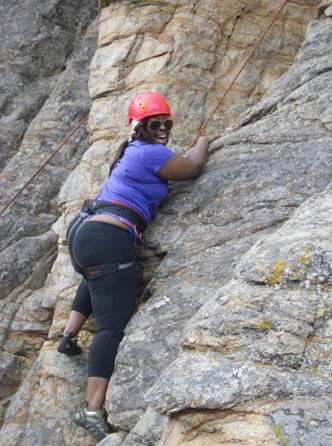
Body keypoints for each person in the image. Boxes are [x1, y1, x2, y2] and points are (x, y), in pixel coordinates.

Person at [57, 92, 209, 441]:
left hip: (86, 233)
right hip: (106, 237)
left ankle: (67, 336)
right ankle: (91, 409)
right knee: (112, 327)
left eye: (166, 123)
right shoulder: (151, 152)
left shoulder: (130, 151)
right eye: (154, 123)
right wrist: (203, 141)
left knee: (99, 278)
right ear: (139, 127)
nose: (162, 129)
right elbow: (192, 168)